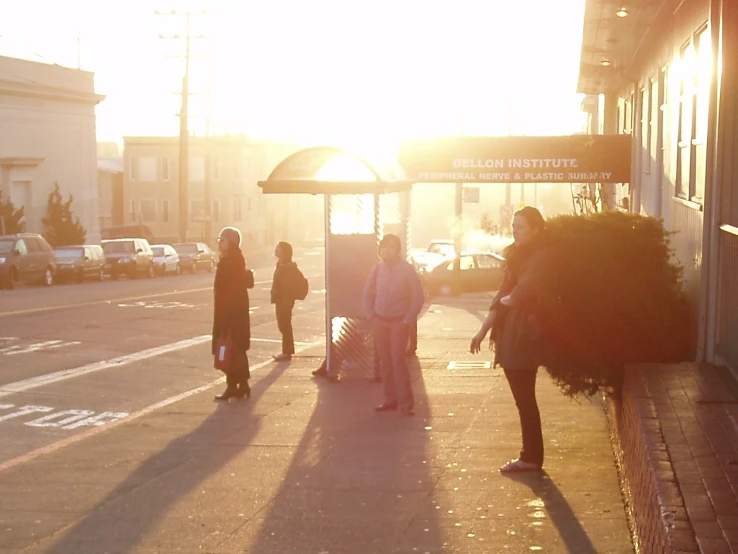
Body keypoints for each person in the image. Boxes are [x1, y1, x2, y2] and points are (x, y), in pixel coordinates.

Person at [469, 206, 552, 473]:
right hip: (510, 333)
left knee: (525, 398)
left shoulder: (539, 256)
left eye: (521, 226)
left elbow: (522, 289)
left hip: (523, 335)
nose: (515, 230)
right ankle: (531, 456)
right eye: (514, 226)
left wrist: (510, 299)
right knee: (524, 399)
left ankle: (531, 457)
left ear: (536, 229)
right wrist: (482, 330)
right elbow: (502, 295)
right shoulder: (517, 256)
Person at [363, 234, 425, 416]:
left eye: (390, 247)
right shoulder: (377, 268)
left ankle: (406, 403)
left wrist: (407, 319)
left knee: (398, 361)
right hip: (380, 321)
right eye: (383, 247)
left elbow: (417, 297)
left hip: (399, 322)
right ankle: (390, 399)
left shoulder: (406, 270)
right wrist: (371, 316)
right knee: (385, 361)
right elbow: (367, 294)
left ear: (397, 250)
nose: (386, 250)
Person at [212, 227, 254, 401]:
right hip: (234, 310)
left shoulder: (231, 262)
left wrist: (226, 316)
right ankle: (242, 385)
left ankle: (232, 386)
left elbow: (230, 289)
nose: (219, 243)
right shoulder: (232, 260)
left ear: (232, 242)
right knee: (236, 348)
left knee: (228, 347)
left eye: (223, 240)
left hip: (231, 312)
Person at [270, 241, 299, 361]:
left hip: (285, 300)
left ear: (284, 251)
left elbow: (286, 285)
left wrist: (281, 294)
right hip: (281, 299)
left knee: (285, 325)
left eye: (278, 248)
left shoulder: (287, 266)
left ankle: (287, 352)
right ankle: (287, 351)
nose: (276, 249)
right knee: (283, 325)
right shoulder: (280, 264)